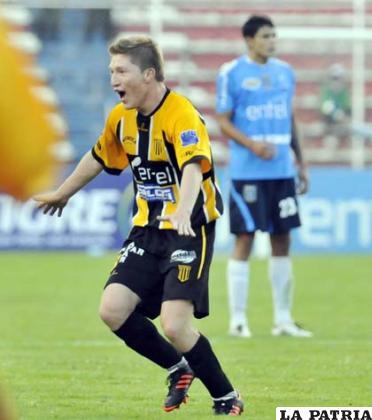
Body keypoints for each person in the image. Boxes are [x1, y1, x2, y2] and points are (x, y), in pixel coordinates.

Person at [34, 35, 244, 416]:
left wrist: (182, 209)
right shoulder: (121, 117)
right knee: (112, 310)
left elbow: (194, 166)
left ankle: (226, 397)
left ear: (148, 74)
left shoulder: (181, 113)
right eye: (111, 70)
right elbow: (99, 156)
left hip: (188, 228)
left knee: (175, 326)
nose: (113, 79)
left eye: (120, 71)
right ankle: (178, 369)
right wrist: (63, 193)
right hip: (147, 231)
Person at [216, 15, 312, 339]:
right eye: (267, 36)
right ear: (249, 39)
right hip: (247, 173)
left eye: (275, 35)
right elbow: (223, 121)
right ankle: (238, 320)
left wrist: (301, 162)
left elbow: (289, 117)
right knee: (244, 239)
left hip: (281, 172)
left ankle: (283, 319)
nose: (273, 41)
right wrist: (252, 144)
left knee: (283, 239)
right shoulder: (231, 73)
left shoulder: (285, 72)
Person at [319, 63, 351, 147]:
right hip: (329, 122)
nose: (336, 82)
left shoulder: (344, 92)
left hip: (341, 122)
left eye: (338, 79)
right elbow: (323, 107)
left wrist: (342, 114)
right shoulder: (326, 92)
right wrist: (332, 112)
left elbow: (347, 107)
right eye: (334, 79)